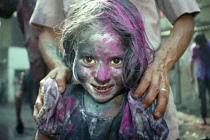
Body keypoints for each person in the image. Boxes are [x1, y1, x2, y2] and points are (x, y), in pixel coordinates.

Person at [30, 0, 200, 139]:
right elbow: (47, 29)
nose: (102, 76)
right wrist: (58, 65)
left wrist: (160, 64)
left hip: (148, 93)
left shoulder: (144, 116)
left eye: (116, 60)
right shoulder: (60, 104)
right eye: (89, 60)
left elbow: (184, 19)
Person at [190, 33, 210, 125]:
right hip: (201, 74)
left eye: (203, 44)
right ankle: (203, 118)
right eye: (200, 44)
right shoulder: (195, 48)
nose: (202, 46)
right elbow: (192, 62)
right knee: (202, 98)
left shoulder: (209, 45)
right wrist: (191, 76)